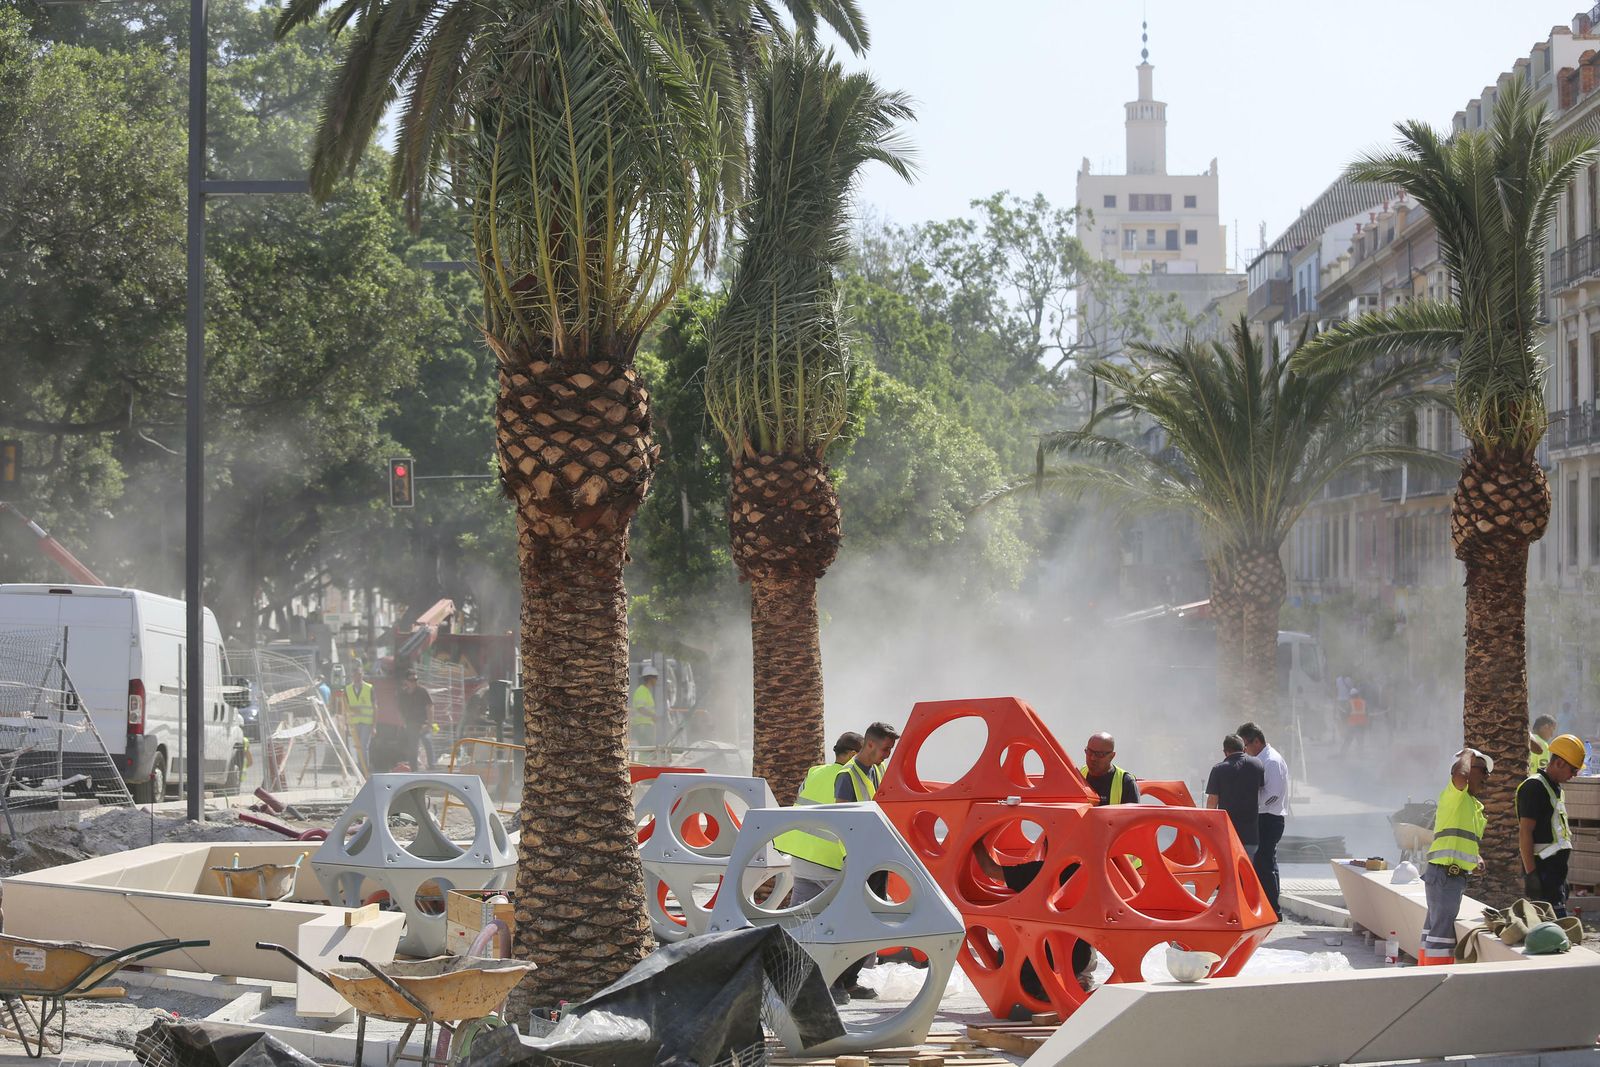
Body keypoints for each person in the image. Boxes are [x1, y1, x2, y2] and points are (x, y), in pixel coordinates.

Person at [772, 730, 867, 1005]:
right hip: (830, 863)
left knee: (802, 923)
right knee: (841, 924)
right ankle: (837, 983)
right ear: (850, 755)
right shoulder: (847, 777)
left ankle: (801, 980)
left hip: (802, 860)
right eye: (861, 754)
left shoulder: (815, 772)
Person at [1420, 748, 1492, 965]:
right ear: (1467, 770)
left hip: (1449, 876)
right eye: (1482, 770)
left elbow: (1462, 840)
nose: (1487, 777)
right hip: (1445, 875)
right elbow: (1459, 776)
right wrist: (1467, 754)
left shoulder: (1472, 806)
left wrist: (1475, 858)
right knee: (1441, 934)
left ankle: (1424, 971)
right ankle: (1436, 978)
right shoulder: (1455, 794)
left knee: (1433, 930)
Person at [1518, 733, 1585, 917]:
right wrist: (1531, 876)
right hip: (1542, 875)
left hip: (1554, 876)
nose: (1574, 775)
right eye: (1573, 770)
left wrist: (1562, 878)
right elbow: (1525, 833)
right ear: (1559, 763)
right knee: (1551, 932)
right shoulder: (1534, 787)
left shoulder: (1555, 789)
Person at [1238, 722, 1289, 917]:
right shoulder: (1261, 758)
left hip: (1270, 818)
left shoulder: (1271, 761)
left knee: (1265, 863)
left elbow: (1273, 794)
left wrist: (1253, 806)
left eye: (1246, 745)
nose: (1245, 750)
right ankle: (1266, 907)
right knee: (1263, 862)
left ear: (1257, 741)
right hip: (1263, 816)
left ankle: (1272, 910)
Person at [1205, 734, 1265, 858]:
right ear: (1244, 748)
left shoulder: (1218, 770)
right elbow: (1260, 790)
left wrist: (1209, 827)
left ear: (1225, 752)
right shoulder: (1257, 765)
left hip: (1227, 833)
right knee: (1247, 870)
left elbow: (1212, 801)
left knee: (1229, 871)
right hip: (1250, 834)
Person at [835, 722, 899, 803]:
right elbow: (841, 814)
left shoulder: (880, 766)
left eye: (890, 749)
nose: (888, 755)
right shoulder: (846, 776)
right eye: (885, 749)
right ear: (870, 745)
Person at [1080, 733, 1139, 805]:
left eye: (1099, 754)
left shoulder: (1126, 783)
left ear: (1112, 756)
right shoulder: (1080, 774)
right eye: (1089, 752)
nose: (1093, 758)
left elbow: (1134, 815)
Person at [396, 669, 434, 771]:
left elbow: (430, 707)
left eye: (415, 680)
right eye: (411, 680)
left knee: (427, 742)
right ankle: (414, 771)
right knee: (413, 748)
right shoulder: (402, 694)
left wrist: (429, 724)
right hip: (411, 724)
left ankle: (432, 767)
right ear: (406, 681)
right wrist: (402, 723)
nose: (414, 682)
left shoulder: (422, 691)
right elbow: (400, 710)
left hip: (423, 723)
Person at [343, 664, 376, 773]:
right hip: (354, 723)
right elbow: (346, 708)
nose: (358, 677)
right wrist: (346, 723)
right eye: (356, 675)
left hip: (367, 723)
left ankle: (364, 770)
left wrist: (374, 726)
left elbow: (375, 707)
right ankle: (360, 769)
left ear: (362, 675)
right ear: (352, 676)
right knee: (357, 747)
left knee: (363, 746)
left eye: (360, 674)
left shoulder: (369, 688)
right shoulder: (348, 689)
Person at [630, 665, 659, 751]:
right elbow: (640, 708)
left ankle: (645, 763)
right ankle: (644, 764)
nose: (657, 680)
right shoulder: (641, 691)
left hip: (646, 726)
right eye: (656, 677)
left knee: (648, 750)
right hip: (642, 726)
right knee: (645, 750)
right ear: (650, 678)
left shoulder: (646, 691)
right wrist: (653, 715)